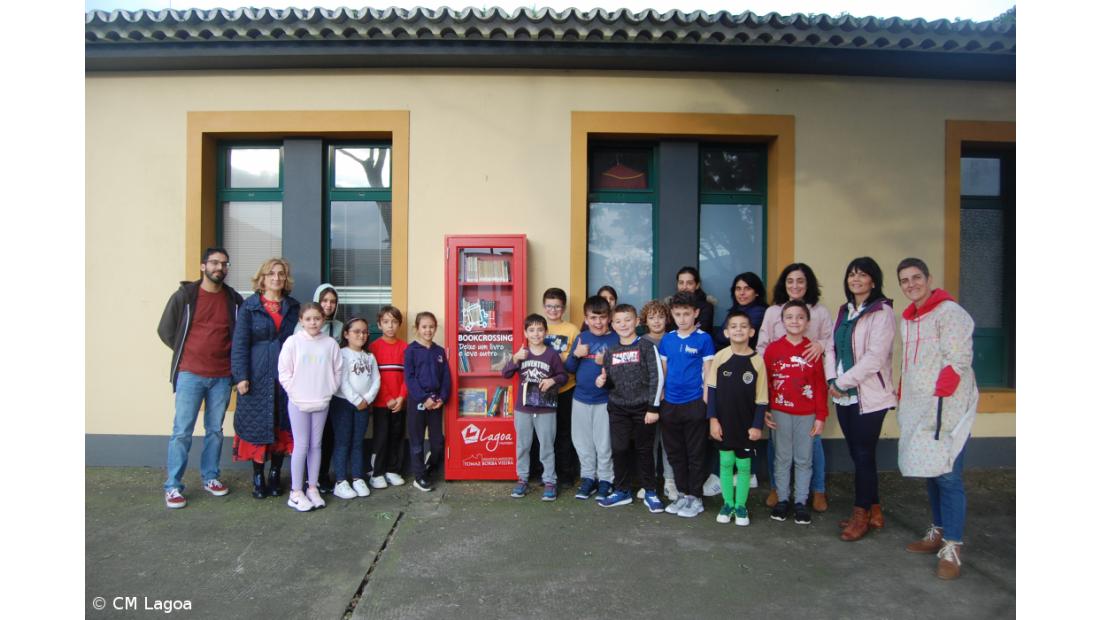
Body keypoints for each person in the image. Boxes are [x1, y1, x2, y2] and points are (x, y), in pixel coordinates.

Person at [895, 258, 978, 581]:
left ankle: (953, 545)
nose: (911, 284)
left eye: (916, 278)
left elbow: (958, 360)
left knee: (948, 473)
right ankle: (939, 531)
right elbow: (909, 363)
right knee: (929, 469)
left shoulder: (950, 313)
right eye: (905, 280)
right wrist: (905, 393)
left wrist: (939, 401)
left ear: (929, 279)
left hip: (946, 405)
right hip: (918, 404)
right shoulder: (909, 319)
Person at [157, 247, 244, 509]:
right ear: (202, 266)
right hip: (190, 374)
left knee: (215, 430)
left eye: (224, 264)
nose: (220, 267)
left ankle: (211, 477)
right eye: (215, 263)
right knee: (182, 431)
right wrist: (189, 353)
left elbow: (237, 338)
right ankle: (173, 486)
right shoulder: (185, 295)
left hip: (221, 376)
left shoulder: (234, 300)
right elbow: (165, 330)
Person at [828, 257, 896, 541]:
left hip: (869, 396)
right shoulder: (845, 311)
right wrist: (832, 379)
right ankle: (874, 510)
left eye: (862, 275)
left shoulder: (882, 312)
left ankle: (860, 515)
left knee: (865, 455)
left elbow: (875, 359)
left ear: (873, 280)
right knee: (858, 455)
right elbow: (832, 347)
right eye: (851, 275)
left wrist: (842, 382)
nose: (855, 279)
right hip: (843, 394)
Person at [757, 263, 834, 512]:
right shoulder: (772, 312)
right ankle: (779, 491)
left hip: (808, 390)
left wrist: (820, 345)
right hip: (780, 396)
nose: (795, 285)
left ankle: (815, 490)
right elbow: (763, 347)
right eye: (790, 281)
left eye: (800, 281)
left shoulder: (819, 311)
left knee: (811, 446)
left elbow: (828, 342)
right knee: (778, 448)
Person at [231, 257, 301, 500]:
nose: (277, 278)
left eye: (281, 274)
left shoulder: (293, 307)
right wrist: (240, 376)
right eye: (271, 273)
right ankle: (258, 476)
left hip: (285, 376)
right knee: (259, 424)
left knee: (282, 425)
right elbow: (239, 345)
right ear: (262, 278)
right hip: (257, 375)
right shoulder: (249, 307)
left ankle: (275, 474)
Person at [764, 299, 828, 525]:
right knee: (782, 457)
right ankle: (783, 499)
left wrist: (821, 416)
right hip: (780, 412)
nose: (795, 321)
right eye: (789, 317)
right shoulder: (773, 350)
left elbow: (820, 385)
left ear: (807, 322)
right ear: (782, 321)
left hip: (806, 413)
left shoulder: (812, 350)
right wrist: (766, 409)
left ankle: (800, 501)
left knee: (803, 458)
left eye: (800, 317)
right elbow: (767, 383)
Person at [595, 304, 664, 512]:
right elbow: (610, 382)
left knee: (644, 450)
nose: (623, 324)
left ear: (636, 322)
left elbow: (657, 377)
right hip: (618, 409)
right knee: (619, 449)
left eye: (627, 320)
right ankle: (622, 490)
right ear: (612, 325)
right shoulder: (610, 352)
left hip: (644, 408)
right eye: (618, 321)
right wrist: (602, 382)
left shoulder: (646, 346)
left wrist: (653, 408)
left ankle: (650, 491)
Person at [278, 302, 343, 511]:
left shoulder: (330, 343)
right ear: (301, 321)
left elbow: (338, 370)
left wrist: (329, 390)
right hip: (298, 402)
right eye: (308, 319)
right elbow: (284, 372)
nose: (313, 322)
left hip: (321, 401)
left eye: (317, 318)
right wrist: (294, 393)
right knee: (301, 445)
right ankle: (296, 492)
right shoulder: (293, 342)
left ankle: (312, 487)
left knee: (316, 445)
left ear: (323, 320)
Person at [707, 312, 768, 526]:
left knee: (743, 467)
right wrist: (713, 420)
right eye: (734, 326)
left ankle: (741, 506)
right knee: (725, 463)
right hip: (724, 423)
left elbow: (762, 398)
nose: (739, 329)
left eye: (744, 326)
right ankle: (727, 503)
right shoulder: (720, 357)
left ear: (751, 332)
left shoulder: (758, 361)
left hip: (746, 426)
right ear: (726, 332)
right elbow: (712, 392)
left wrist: (757, 425)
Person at [659, 292, 716, 518]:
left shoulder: (704, 339)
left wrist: (706, 401)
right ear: (672, 315)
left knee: (695, 452)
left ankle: (696, 497)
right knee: (675, 452)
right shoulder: (668, 339)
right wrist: (661, 396)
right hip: (670, 404)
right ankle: (683, 494)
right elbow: (663, 371)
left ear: (696, 313)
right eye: (677, 314)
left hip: (694, 403)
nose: (682, 318)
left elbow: (709, 372)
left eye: (686, 314)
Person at [503, 314, 567, 501]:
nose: (536, 333)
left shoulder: (552, 354)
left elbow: (563, 376)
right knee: (523, 445)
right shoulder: (522, 353)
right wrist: (515, 358)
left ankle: (549, 481)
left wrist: (552, 380)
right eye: (531, 330)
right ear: (525, 333)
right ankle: (522, 479)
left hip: (546, 409)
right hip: (523, 409)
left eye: (540, 329)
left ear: (546, 332)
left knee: (547, 446)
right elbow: (505, 374)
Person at [564, 295, 619, 500]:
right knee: (582, 441)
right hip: (580, 399)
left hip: (604, 400)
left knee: (603, 443)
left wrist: (607, 362)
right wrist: (576, 354)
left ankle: (606, 479)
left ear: (609, 317)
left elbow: (623, 373)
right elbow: (569, 369)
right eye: (593, 318)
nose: (598, 322)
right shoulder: (582, 337)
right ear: (586, 319)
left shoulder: (615, 339)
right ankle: (588, 478)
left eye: (602, 317)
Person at [295, 284, 344, 493]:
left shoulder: (338, 327)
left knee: (327, 436)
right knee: (305, 439)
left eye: (332, 301)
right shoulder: (300, 330)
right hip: (305, 391)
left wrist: (331, 387)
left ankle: (321, 476)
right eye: (324, 300)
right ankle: (304, 480)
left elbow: (338, 361)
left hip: (328, 391)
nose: (328, 305)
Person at [331, 317, 381, 500]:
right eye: (356, 331)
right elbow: (341, 380)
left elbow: (376, 379)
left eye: (364, 332)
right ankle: (341, 481)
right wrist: (355, 399)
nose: (361, 335)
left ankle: (358, 477)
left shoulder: (369, 356)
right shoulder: (342, 353)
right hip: (343, 403)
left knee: (358, 441)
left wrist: (366, 399)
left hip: (363, 405)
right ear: (346, 334)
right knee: (343, 441)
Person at [403, 311, 451, 492]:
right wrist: (424, 397)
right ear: (417, 328)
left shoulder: (439, 351)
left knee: (437, 442)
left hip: (436, 403)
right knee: (416, 442)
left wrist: (442, 398)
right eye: (424, 327)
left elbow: (446, 377)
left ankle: (429, 467)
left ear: (435, 328)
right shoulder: (411, 351)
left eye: (431, 326)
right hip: (418, 403)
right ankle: (419, 476)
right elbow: (410, 378)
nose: (428, 330)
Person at [542, 288, 581, 487]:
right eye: (549, 306)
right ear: (543, 307)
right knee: (545, 433)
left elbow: (575, 359)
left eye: (557, 306)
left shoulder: (572, 330)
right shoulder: (539, 327)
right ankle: (546, 474)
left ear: (563, 308)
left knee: (565, 432)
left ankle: (566, 475)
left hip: (566, 388)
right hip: (542, 390)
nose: (553, 310)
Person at [368, 305, 409, 489]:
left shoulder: (405, 348)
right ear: (379, 324)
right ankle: (377, 472)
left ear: (399, 324)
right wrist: (387, 398)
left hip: (399, 403)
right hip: (381, 403)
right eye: (386, 322)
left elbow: (408, 377)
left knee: (396, 435)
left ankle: (393, 470)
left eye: (394, 322)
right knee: (381, 437)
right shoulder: (374, 348)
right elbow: (374, 376)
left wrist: (401, 398)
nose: (390, 326)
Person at [639, 299, 676, 501]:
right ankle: (648, 482)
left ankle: (670, 481)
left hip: (670, 398)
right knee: (649, 442)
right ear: (645, 320)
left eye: (660, 316)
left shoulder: (673, 339)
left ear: (667, 318)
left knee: (668, 441)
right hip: (648, 400)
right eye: (651, 317)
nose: (656, 321)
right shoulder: (641, 342)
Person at [664, 267, 717, 337]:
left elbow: (702, 330)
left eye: (689, 283)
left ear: (697, 285)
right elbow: (668, 331)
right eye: (681, 283)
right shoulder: (670, 306)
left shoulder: (706, 307)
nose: (684, 287)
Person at [721, 272, 768, 349]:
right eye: (738, 289)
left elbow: (723, 337)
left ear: (757, 292)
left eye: (747, 289)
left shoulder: (760, 312)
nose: (742, 293)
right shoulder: (735, 310)